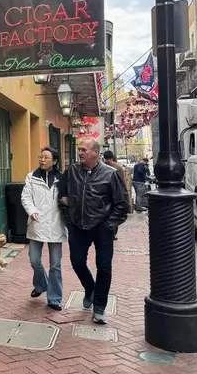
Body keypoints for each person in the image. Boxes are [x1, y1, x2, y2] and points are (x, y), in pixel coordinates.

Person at [58, 138, 130, 325]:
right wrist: (69, 222)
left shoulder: (110, 174)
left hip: (102, 228)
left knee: (104, 267)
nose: (80, 153)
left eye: (84, 150)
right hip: (78, 226)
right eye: (79, 150)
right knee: (77, 262)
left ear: (96, 153)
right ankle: (90, 288)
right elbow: (62, 197)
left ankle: (99, 307)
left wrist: (108, 225)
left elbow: (122, 205)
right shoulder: (72, 171)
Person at [21, 147, 67, 311]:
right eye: (40, 157)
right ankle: (41, 285)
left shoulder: (62, 179)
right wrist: (32, 211)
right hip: (37, 222)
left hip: (56, 224)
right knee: (34, 260)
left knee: (55, 264)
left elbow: (67, 198)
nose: (42, 160)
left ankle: (54, 298)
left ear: (54, 161)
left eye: (46, 157)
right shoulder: (32, 177)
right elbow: (26, 197)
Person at [103, 151, 124, 240]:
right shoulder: (102, 167)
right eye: (106, 159)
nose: (108, 161)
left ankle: (114, 233)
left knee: (114, 213)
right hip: (105, 194)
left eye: (110, 159)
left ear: (112, 159)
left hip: (115, 194)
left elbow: (122, 181)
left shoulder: (118, 168)